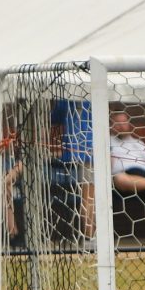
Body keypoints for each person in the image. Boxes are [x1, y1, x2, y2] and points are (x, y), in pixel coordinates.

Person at [108, 109, 145, 246]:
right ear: (112, 125)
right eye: (118, 123)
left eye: (124, 122)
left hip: (144, 178)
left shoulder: (139, 144)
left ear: (129, 124)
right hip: (121, 179)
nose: (122, 126)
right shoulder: (107, 142)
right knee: (120, 179)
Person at [51, 97, 96, 242]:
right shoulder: (94, 94)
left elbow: (54, 118)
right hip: (90, 153)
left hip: (74, 153)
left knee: (88, 197)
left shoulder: (66, 98)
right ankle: (90, 237)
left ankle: (90, 236)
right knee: (89, 197)